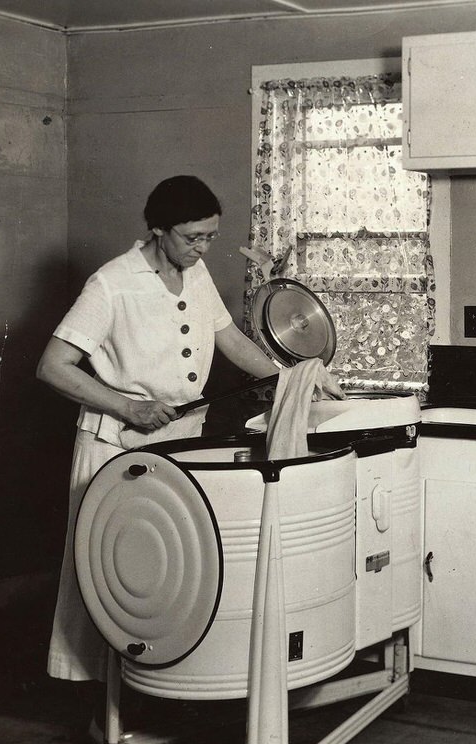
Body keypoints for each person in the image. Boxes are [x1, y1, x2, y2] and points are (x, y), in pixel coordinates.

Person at [37, 175, 341, 684]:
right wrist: (126, 407)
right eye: (191, 237)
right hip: (117, 444)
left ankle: (158, 683)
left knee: (171, 572)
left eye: (209, 237)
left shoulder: (194, 276)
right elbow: (53, 366)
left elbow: (233, 343)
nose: (202, 248)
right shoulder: (112, 283)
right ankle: (97, 694)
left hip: (181, 439)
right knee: (112, 571)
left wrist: (297, 378)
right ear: (158, 229)